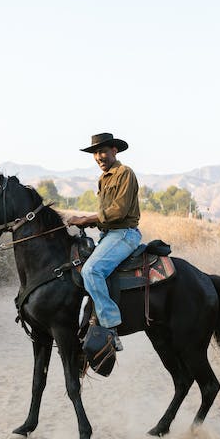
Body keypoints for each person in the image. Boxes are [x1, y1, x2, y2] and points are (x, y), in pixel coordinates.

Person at [65, 132, 141, 349]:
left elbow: (118, 211)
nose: (99, 157)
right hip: (109, 234)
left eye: (103, 152)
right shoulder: (103, 178)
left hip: (124, 233)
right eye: (95, 153)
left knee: (91, 270)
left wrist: (86, 218)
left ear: (114, 151)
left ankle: (109, 326)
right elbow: (105, 214)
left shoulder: (125, 173)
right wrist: (85, 222)